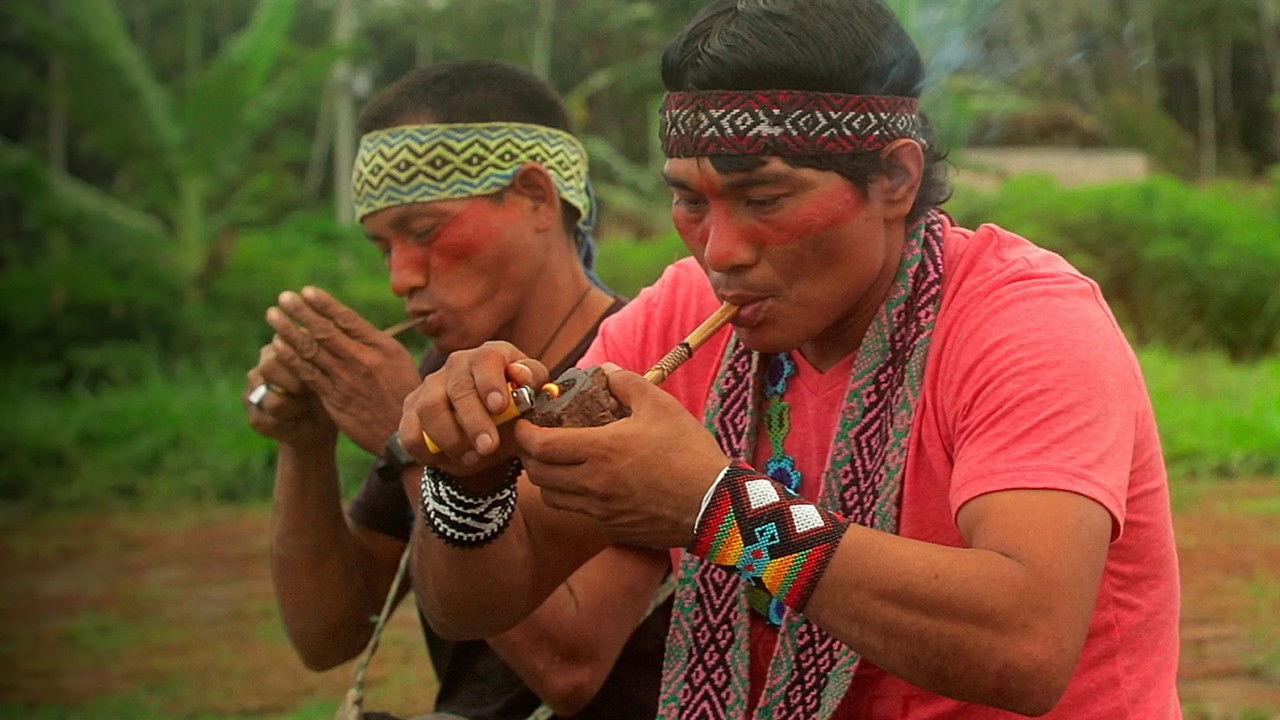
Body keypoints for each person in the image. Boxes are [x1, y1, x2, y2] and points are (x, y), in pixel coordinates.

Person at [396, 2, 1182, 718]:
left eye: (764, 199)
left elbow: (1027, 649)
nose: (721, 251)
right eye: (691, 201)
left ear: (895, 178)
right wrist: (468, 484)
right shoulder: (680, 314)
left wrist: (720, 510)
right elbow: (475, 606)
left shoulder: (1025, 322)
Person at [243, 60, 670, 720]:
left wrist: (413, 443)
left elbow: (570, 668)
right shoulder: (439, 376)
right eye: (384, 247)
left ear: (535, 197)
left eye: (424, 232)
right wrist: (304, 444)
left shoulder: (639, 369)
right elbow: (329, 636)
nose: (401, 278)